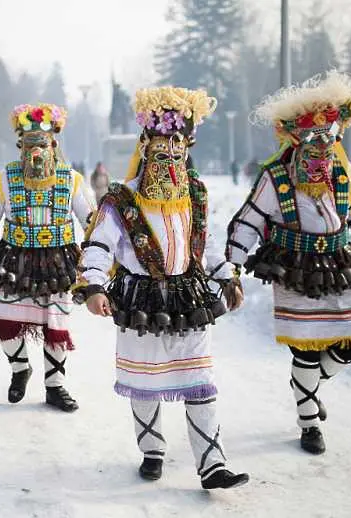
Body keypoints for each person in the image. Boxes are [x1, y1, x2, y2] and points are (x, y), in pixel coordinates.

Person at [75, 86, 249, 489]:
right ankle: (152, 450)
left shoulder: (197, 195)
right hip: (140, 299)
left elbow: (204, 245)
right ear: (145, 147)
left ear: (187, 150)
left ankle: (212, 465)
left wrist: (226, 275)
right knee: (145, 380)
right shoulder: (121, 200)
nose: (169, 158)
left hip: (190, 298)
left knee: (199, 380)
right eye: (160, 149)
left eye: (177, 149)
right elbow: (99, 245)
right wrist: (94, 287)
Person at [225, 71, 351, 454]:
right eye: (313, 139)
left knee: (350, 343)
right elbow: (247, 221)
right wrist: (231, 271)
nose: (321, 147)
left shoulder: (342, 174)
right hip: (294, 265)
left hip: (339, 263)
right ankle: (309, 424)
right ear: (296, 139)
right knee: (304, 348)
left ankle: (307, 386)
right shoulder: (275, 177)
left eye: (328, 138)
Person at [0, 103, 93, 412]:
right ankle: (20, 368)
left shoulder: (71, 179)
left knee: (56, 325)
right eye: (31, 144)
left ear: (54, 145)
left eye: (43, 144)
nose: (37, 151)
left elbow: (90, 220)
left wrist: (101, 258)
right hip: (14, 258)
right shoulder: (5, 179)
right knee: (6, 320)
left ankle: (55, 386)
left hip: (59, 261)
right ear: (20, 145)